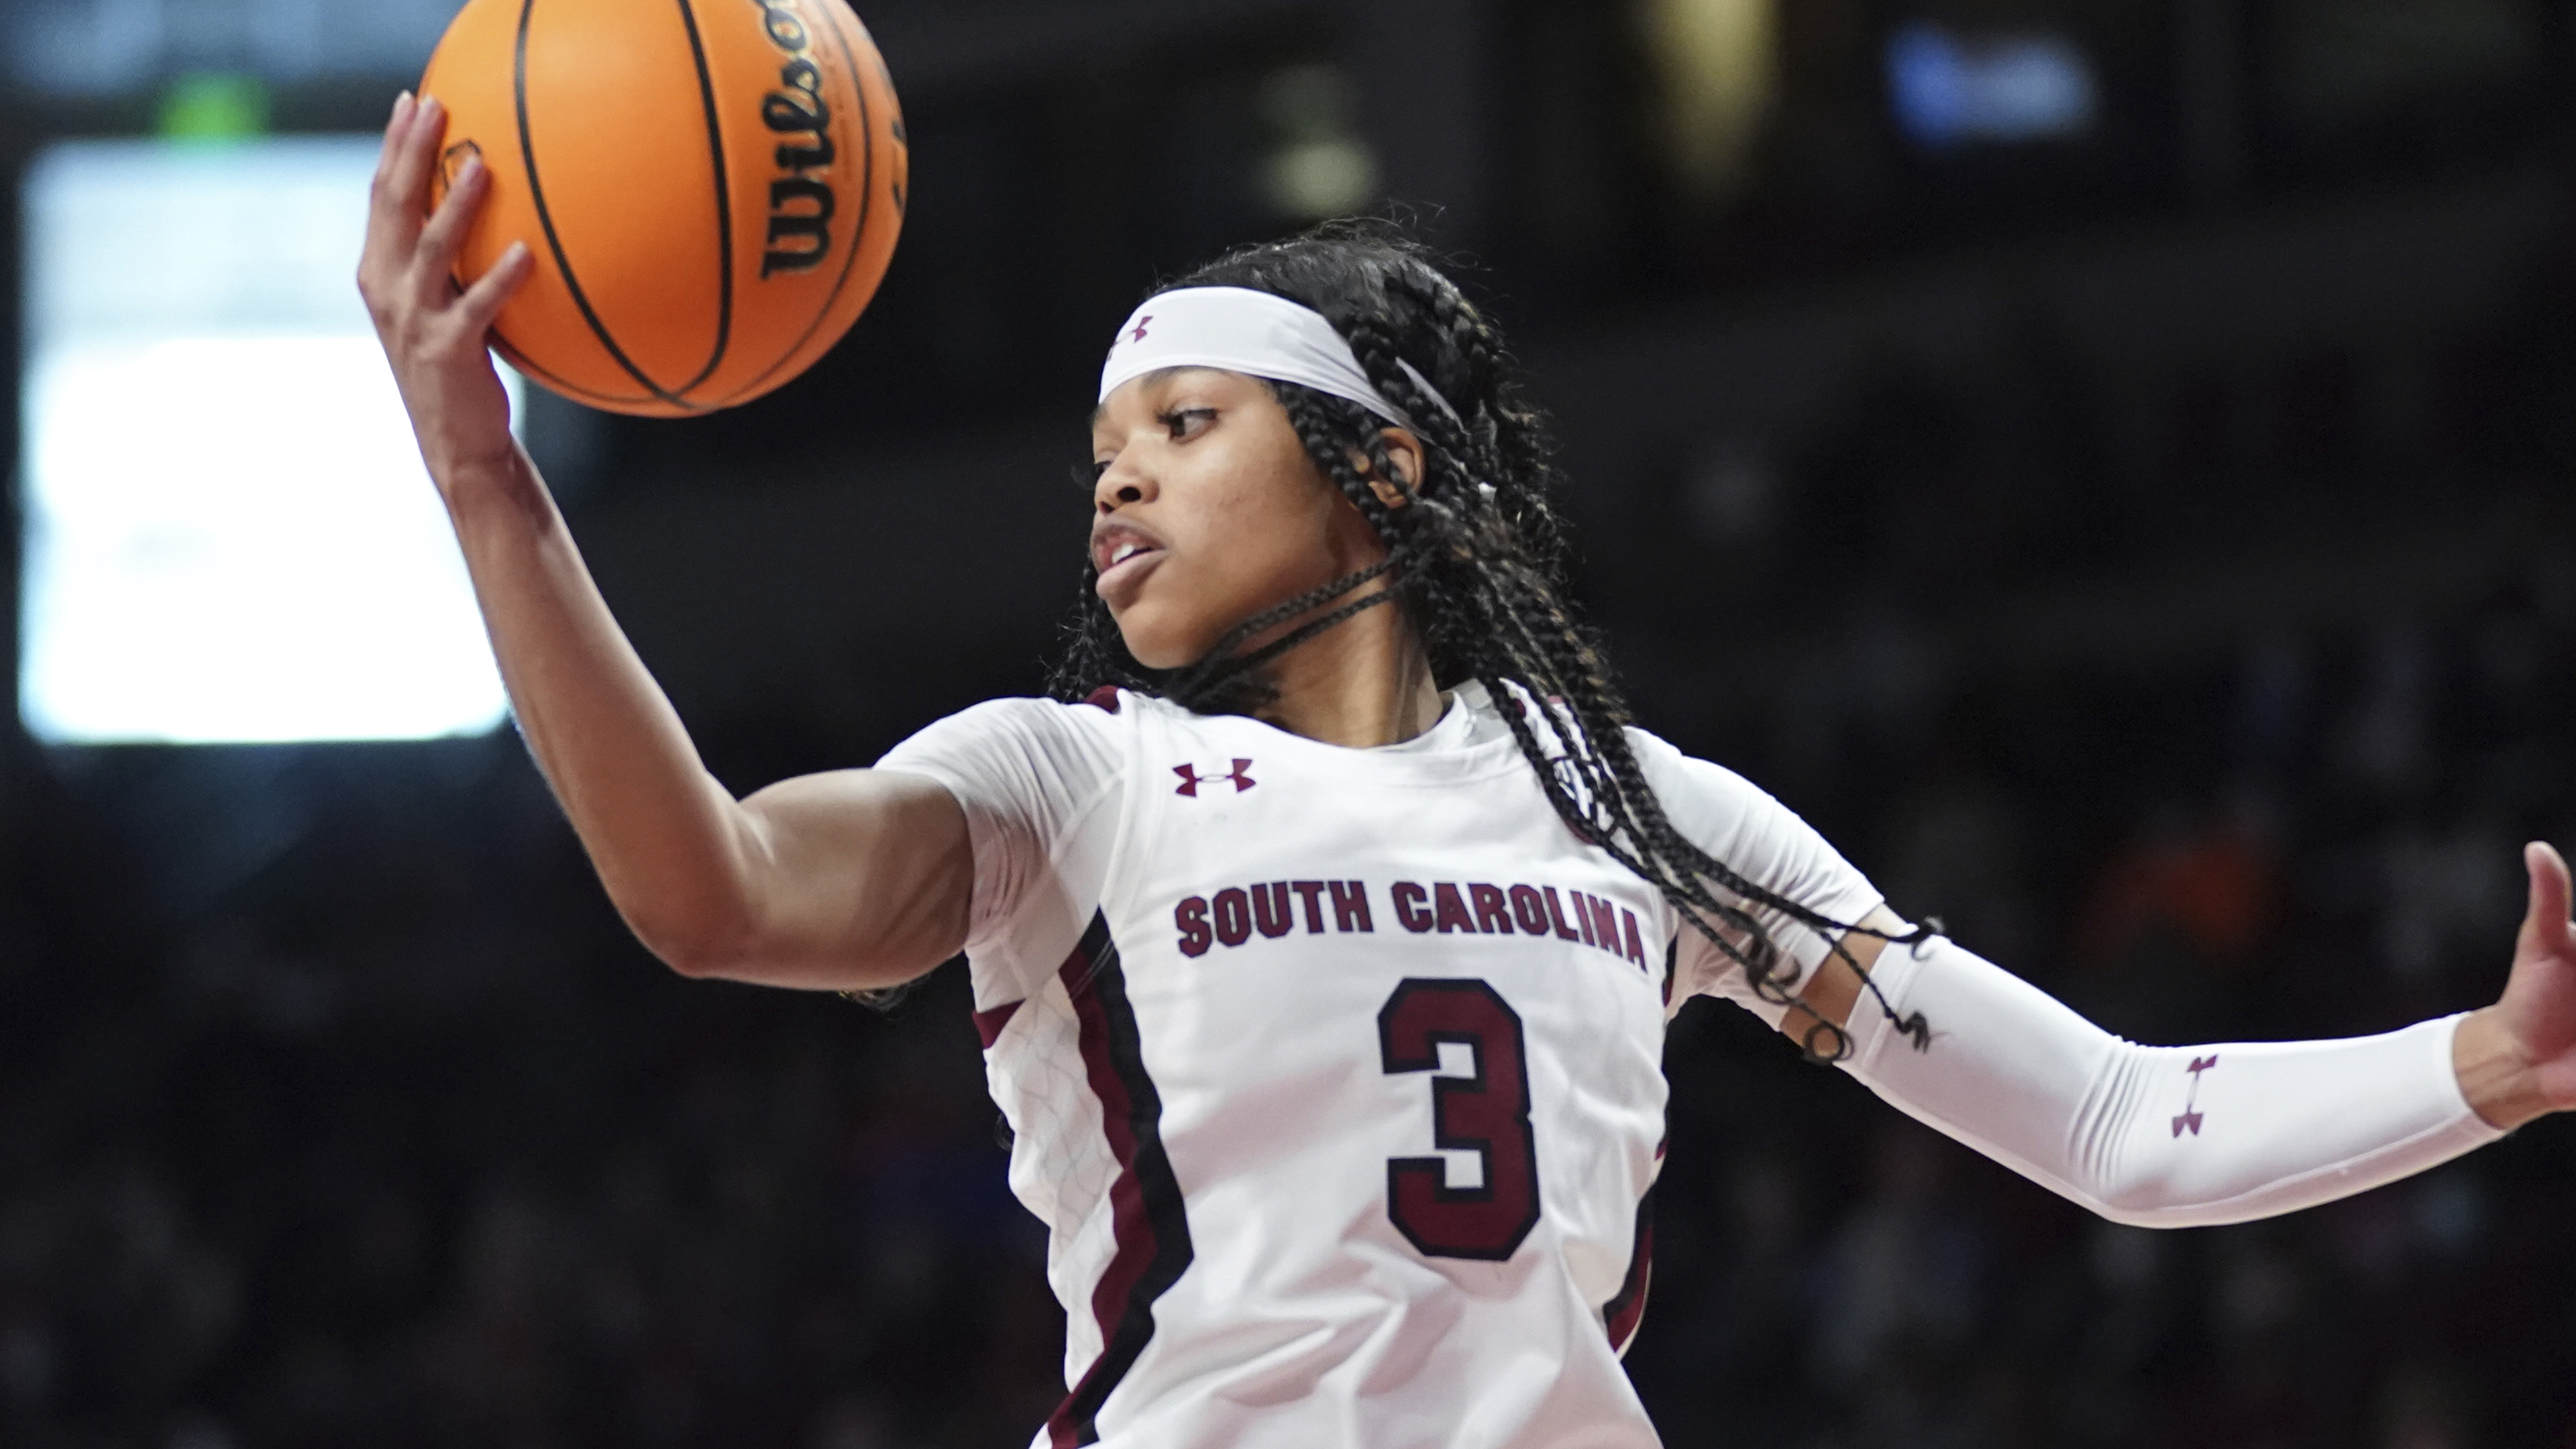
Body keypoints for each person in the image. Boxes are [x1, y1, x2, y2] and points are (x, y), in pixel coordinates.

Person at [360, 92, 2575, 1449]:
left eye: (1184, 430)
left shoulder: (1641, 814)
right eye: (1098, 457)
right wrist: (491, 485)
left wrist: (2486, 1063)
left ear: (1381, 474)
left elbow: (2111, 1123)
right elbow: (715, 890)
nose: (1112, 489)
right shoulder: (1074, 790)